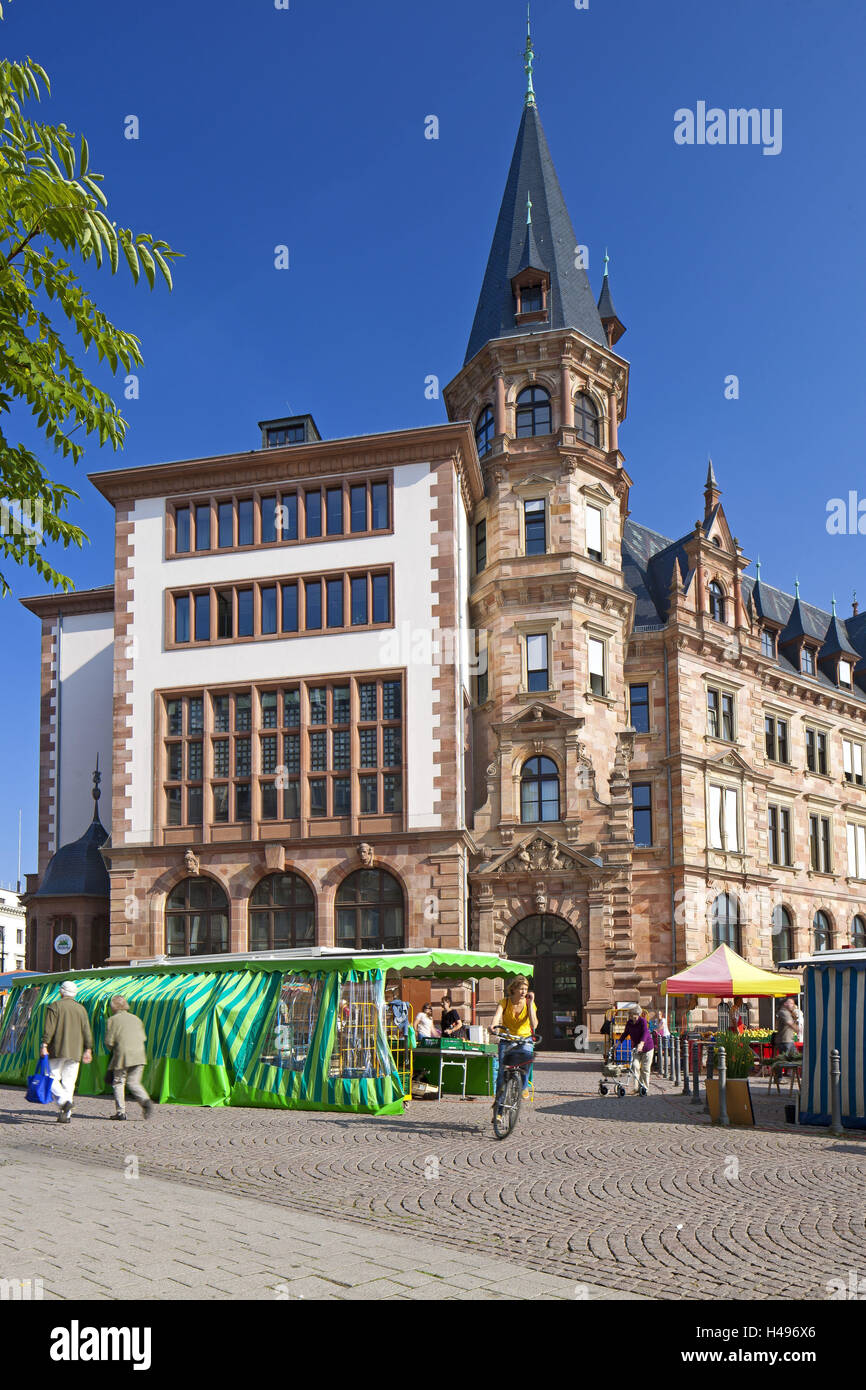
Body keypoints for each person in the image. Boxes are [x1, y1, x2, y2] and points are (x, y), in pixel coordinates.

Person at [40, 981, 93, 1123]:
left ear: (61, 991)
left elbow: (49, 1029)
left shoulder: (55, 1006)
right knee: (69, 1083)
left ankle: (63, 1102)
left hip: (58, 1049)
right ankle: (66, 1115)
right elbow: (87, 1031)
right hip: (75, 1051)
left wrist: (44, 1045)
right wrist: (88, 1049)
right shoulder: (81, 1009)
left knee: (49, 1077)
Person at [104, 995, 152, 1120]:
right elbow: (143, 1038)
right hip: (140, 1055)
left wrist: (113, 1050)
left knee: (119, 1082)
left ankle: (121, 1112)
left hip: (122, 1055)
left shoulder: (112, 1020)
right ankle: (145, 1101)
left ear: (113, 1007)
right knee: (134, 1082)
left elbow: (109, 1042)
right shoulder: (136, 1019)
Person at [490, 977, 538, 1101]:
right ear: (513, 989)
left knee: (527, 1060)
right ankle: (499, 1110)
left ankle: (524, 1085)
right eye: (521, 988)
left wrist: (531, 1004)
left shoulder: (529, 1004)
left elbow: (534, 1025)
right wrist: (492, 1026)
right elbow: (496, 1017)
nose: (523, 992)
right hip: (507, 1038)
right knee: (502, 1071)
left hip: (524, 1039)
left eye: (526, 989)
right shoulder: (504, 1002)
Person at [620, 1003, 654, 1095]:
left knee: (645, 1069)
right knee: (635, 1066)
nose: (633, 1018)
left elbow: (645, 1033)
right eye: (631, 1016)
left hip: (647, 1048)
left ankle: (644, 1089)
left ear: (638, 1015)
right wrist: (618, 1042)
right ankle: (636, 1088)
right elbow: (625, 1033)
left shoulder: (642, 1021)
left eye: (635, 1016)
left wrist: (641, 1044)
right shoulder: (629, 1022)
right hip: (636, 1048)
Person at [775, 995, 800, 1059]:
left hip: (788, 1040)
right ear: (785, 1004)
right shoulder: (783, 1012)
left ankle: (789, 1069)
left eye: (793, 1003)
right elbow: (789, 1023)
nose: (793, 1005)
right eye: (791, 1003)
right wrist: (797, 1029)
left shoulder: (787, 1012)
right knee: (787, 1060)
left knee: (794, 1059)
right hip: (785, 1041)